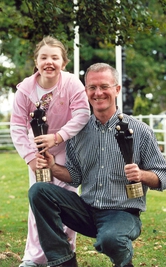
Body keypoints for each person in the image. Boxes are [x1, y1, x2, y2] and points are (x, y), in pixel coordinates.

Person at [29, 63, 166, 267]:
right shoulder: (78, 132)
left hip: (123, 214)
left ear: (117, 89)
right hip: (86, 210)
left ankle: (124, 261)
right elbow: (75, 176)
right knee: (39, 191)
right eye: (92, 87)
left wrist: (141, 174)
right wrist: (52, 166)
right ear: (85, 91)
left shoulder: (140, 131)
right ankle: (64, 261)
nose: (98, 93)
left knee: (110, 239)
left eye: (104, 86)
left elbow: (164, 176)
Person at [10, 36, 90, 267]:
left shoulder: (72, 83)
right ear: (36, 61)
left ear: (63, 63)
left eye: (55, 57)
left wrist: (58, 136)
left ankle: (65, 252)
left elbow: (82, 114)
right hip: (38, 155)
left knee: (66, 202)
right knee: (38, 203)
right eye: (43, 57)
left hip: (68, 150)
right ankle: (33, 258)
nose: (49, 62)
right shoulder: (24, 90)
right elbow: (16, 126)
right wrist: (29, 158)